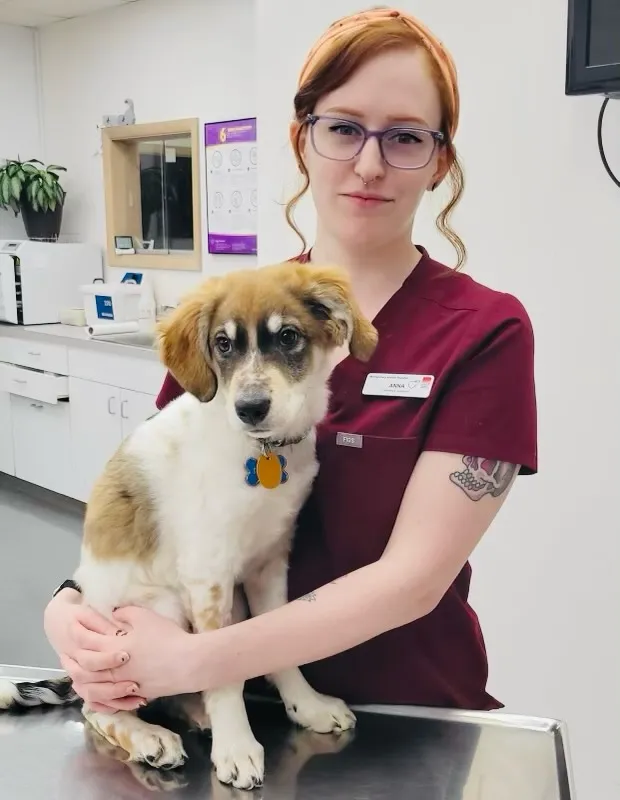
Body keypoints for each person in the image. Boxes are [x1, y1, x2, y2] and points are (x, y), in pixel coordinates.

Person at [43, 6, 537, 716]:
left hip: (410, 711)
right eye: (342, 128)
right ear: (301, 140)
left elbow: (412, 581)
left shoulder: (485, 331)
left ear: (440, 162)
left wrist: (193, 659)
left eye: (404, 137)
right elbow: (166, 498)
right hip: (227, 709)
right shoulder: (229, 320)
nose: (369, 163)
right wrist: (72, 602)